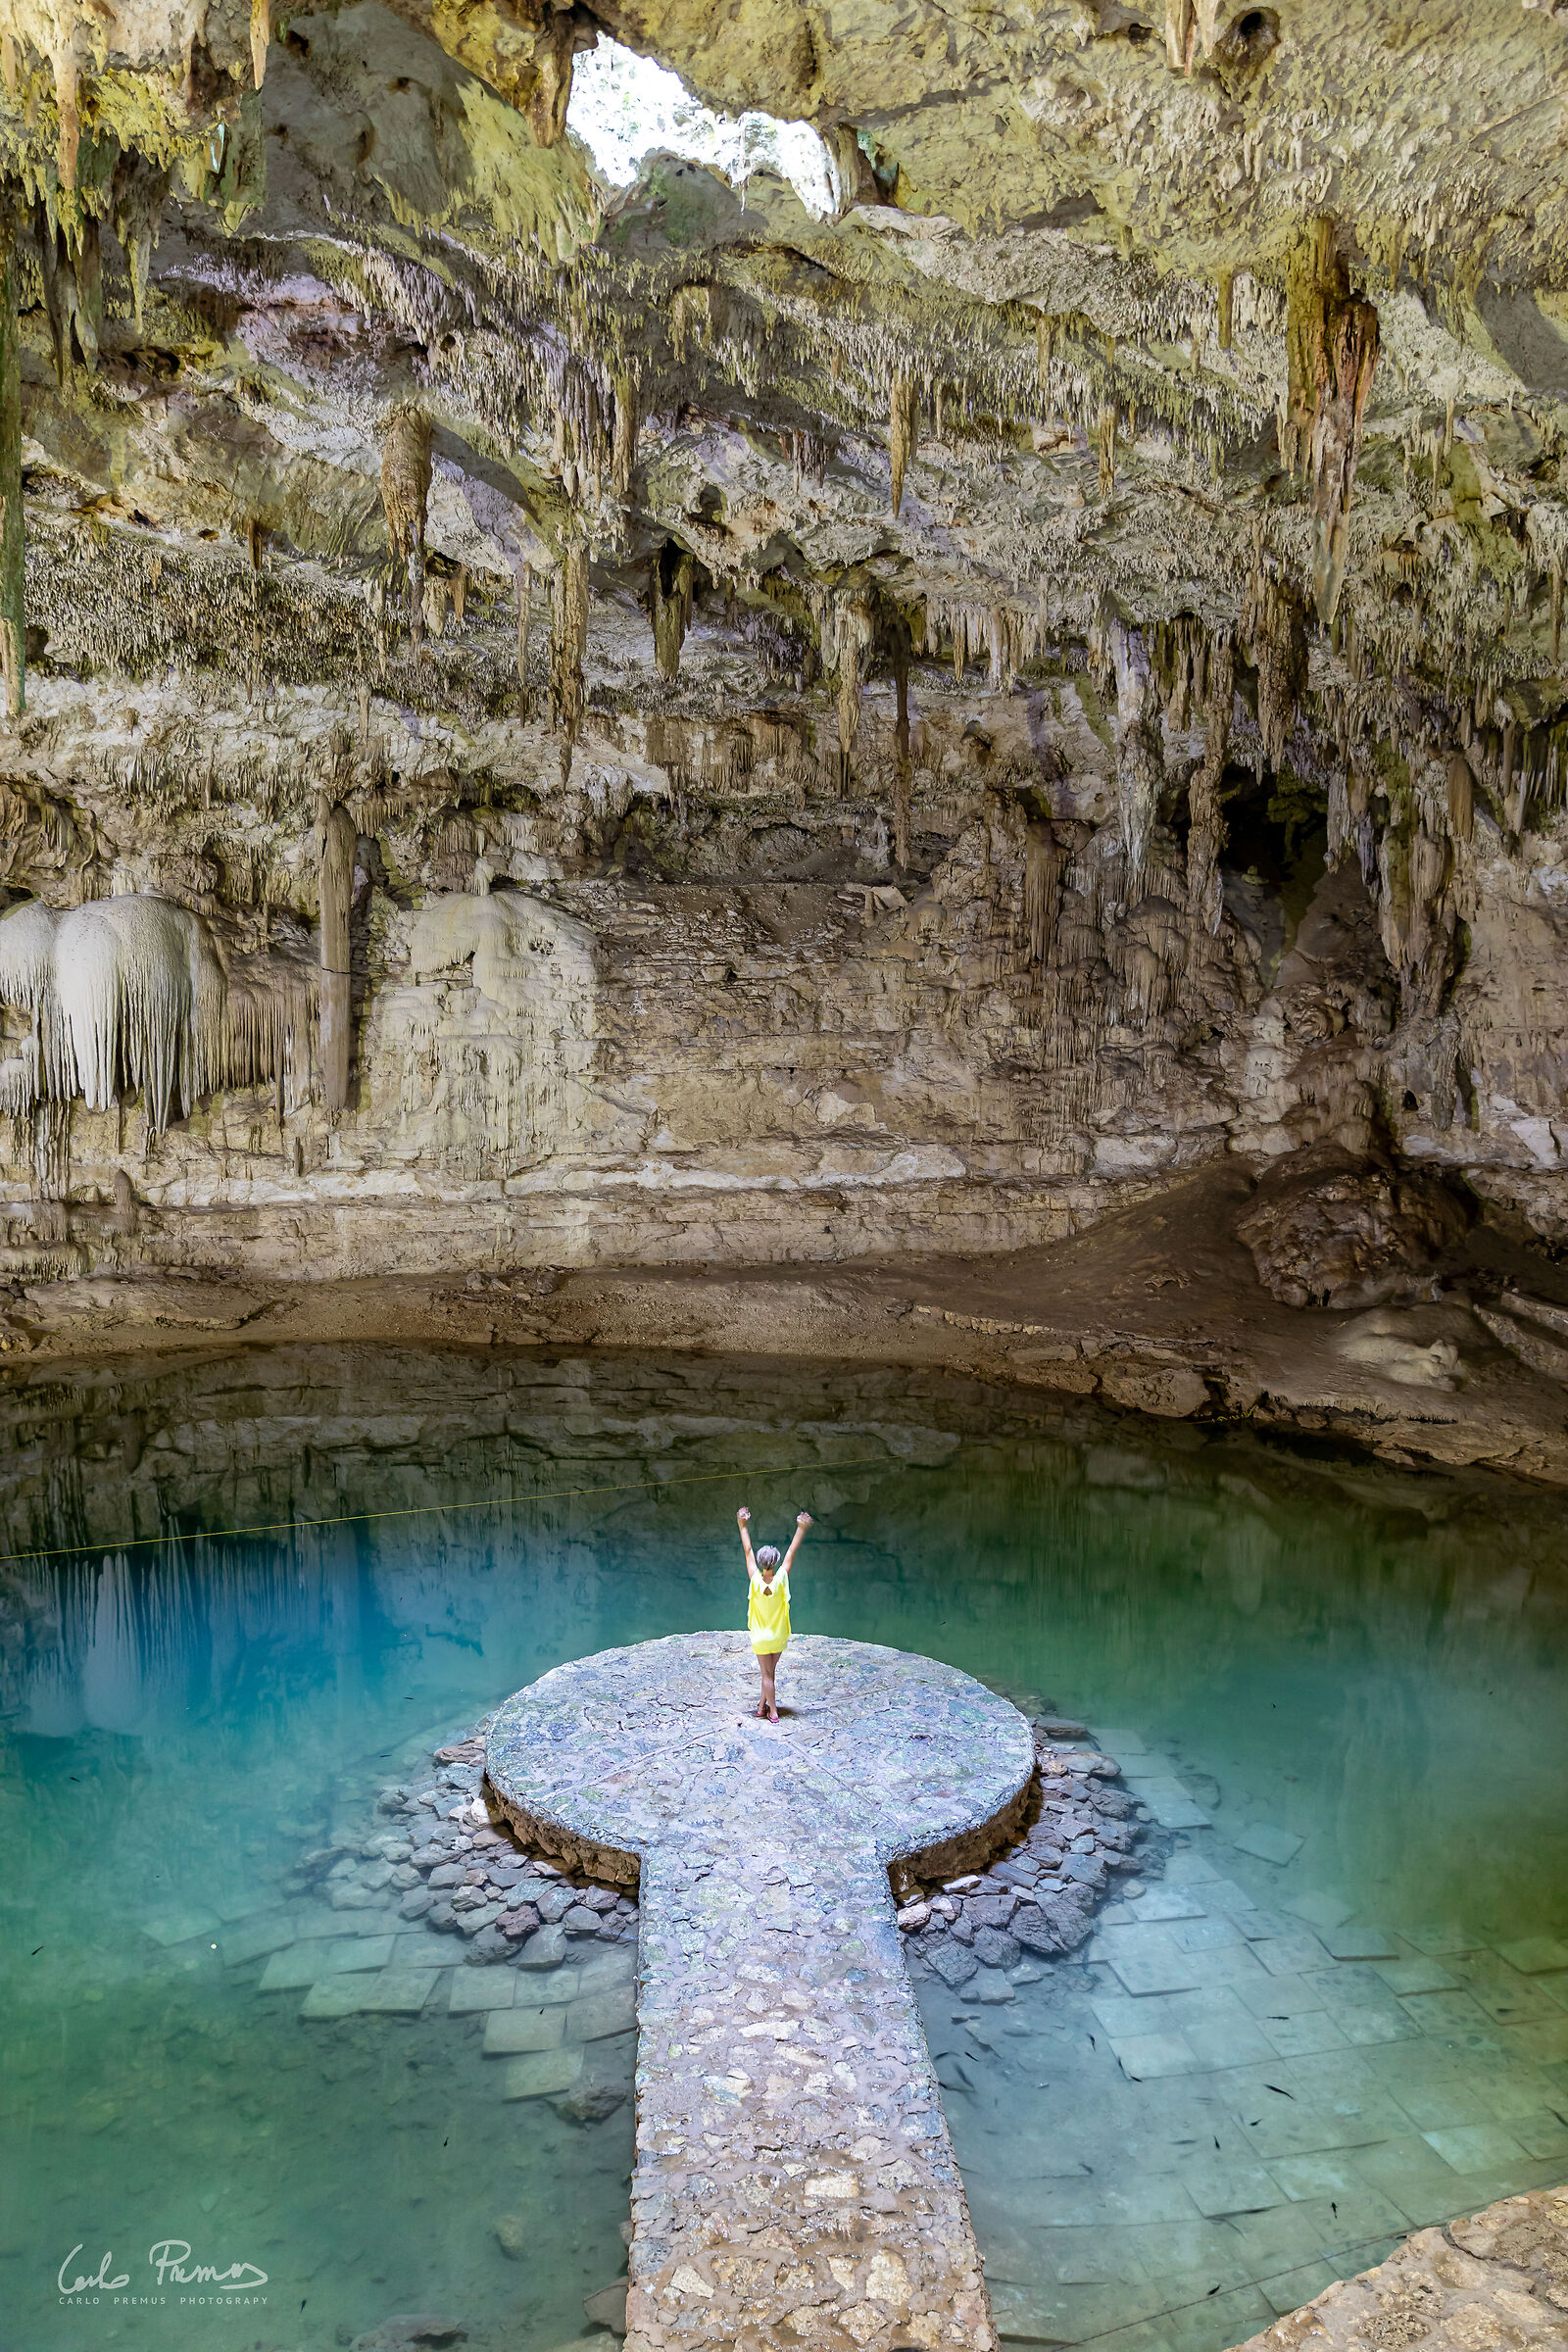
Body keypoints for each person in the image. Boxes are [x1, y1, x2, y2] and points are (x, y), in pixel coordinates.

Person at [737, 1503, 811, 1722]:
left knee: (767, 1675)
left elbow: (747, 1550)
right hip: (778, 1636)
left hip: (761, 1637)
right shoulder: (781, 1580)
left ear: (761, 1563)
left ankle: (773, 1712)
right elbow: (792, 1551)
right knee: (769, 1674)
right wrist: (801, 1527)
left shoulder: (755, 1579)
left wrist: (742, 1525)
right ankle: (762, 1707)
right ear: (775, 1562)